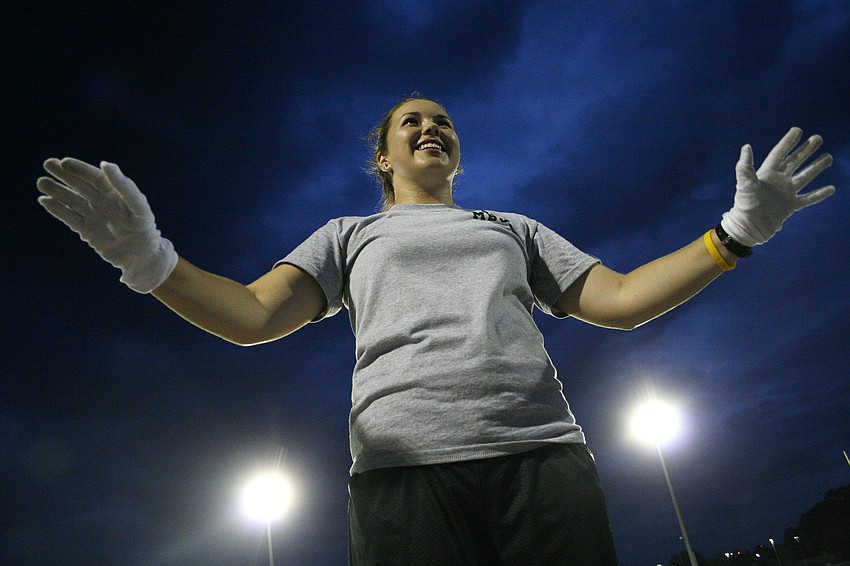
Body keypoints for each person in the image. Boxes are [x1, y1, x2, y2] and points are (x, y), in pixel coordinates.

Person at [36, 96, 835, 565]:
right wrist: (150, 260)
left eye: (443, 121)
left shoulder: (510, 227)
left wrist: (733, 234)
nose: (430, 128)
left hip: (542, 461)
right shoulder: (348, 234)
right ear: (383, 157)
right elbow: (250, 317)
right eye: (410, 123)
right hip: (401, 475)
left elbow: (621, 300)